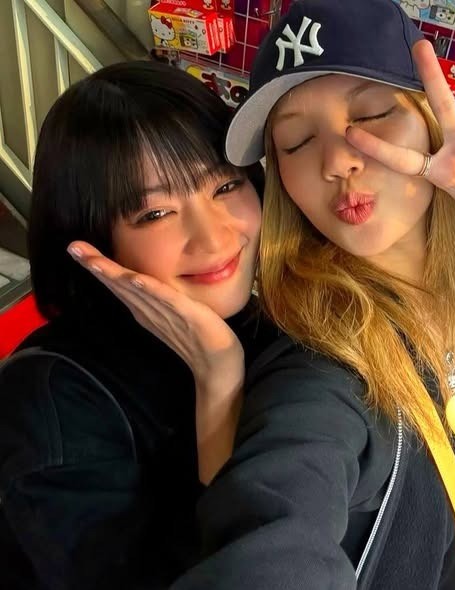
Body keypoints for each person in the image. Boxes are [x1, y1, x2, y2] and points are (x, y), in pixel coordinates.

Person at [70, 2, 455, 588]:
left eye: (372, 116)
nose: (338, 161)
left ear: (432, 121)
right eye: (295, 142)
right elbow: (278, 522)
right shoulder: (318, 368)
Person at [0, 60, 270, 590]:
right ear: (90, 240)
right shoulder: (49, 413)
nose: (215, 238)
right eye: (155, 214)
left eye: (224, 186)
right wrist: (219, 382)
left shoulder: (255, 317)